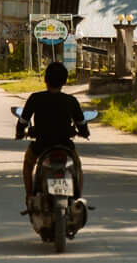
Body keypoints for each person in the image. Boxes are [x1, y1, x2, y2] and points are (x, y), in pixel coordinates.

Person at [15, 60, 88, 206]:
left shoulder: (35, 98)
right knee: (77, 167)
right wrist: (84, 133)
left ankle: (29, 196)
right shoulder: (71, 100)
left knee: (28, 164)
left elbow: (23, 121)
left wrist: (20, 133)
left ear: (46, 79)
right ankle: (78, 198)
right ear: (64, 81)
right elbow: (81, 123)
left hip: (41, 146)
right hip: (65, 146)